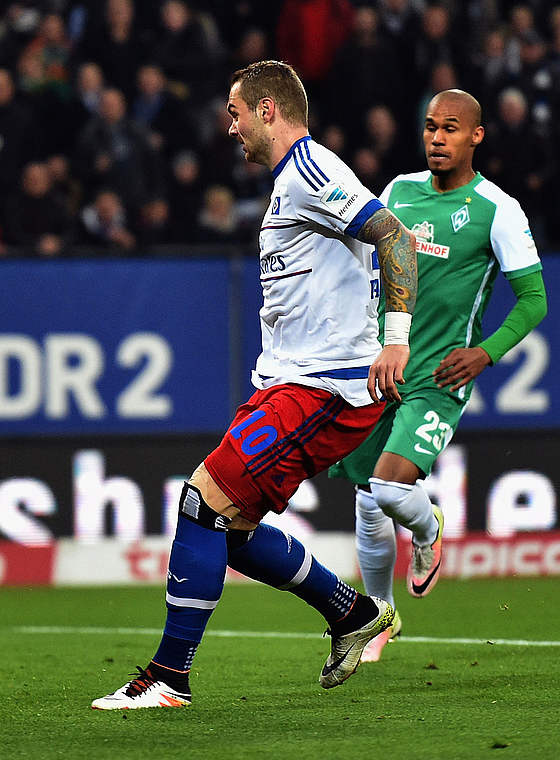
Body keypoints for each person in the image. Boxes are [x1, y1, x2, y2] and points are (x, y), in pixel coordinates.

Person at [91, 60, 419, 710]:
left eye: (237, 113)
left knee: (200, 503)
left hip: (322, 390)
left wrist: (397, 338)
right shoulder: (292, 183)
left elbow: (397, 240)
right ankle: (351, 614)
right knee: (228, 528)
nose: (231, 127)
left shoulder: (311, 170)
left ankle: (168, 677)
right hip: (297, 386)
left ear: (269, 110)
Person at [329, 89, 547, 663]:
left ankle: (429, 533)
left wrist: (485, 353)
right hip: (384, 364)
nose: (437, 138)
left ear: (476, 135)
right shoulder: (397, 192)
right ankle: (377, 618)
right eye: (430, 127)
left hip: (441, 373)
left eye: (451, 128)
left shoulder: (497, 209)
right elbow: (359, 260)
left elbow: (533, 300)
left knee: (391, 485)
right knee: (367, 501)